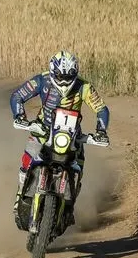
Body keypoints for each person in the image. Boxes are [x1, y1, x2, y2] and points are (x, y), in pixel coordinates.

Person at [10, 51, 110, 227]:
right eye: (60, 76)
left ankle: (69, 208)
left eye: (68, 76)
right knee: (27, 161)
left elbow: (101, 109)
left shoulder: (84, 87)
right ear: (52, 71)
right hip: (42, 130)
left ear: (75, 73)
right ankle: (19, 196)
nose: (64, 81)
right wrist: (20, 116)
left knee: (79, 168)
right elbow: (17, 96)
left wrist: (101, 131)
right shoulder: (42, 80)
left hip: (71, 136)